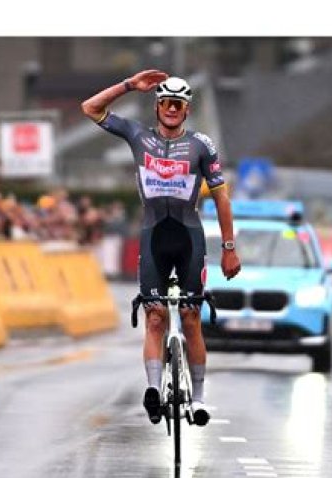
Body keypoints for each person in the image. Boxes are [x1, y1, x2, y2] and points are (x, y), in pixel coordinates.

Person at [82, 70, 241, 427]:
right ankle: (153, 389)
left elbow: (222, 199)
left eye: (178, 104)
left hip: (188, 237)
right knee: (155, 318)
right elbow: (90, 108)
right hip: (154, 235)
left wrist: (229, 247)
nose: (171, 109)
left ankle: (198, 399)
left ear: (187, 110)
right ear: (157, 106)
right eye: (166, 102)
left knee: (191, 319)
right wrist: (128, 85)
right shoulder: (138, 136)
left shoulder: (201, 145)